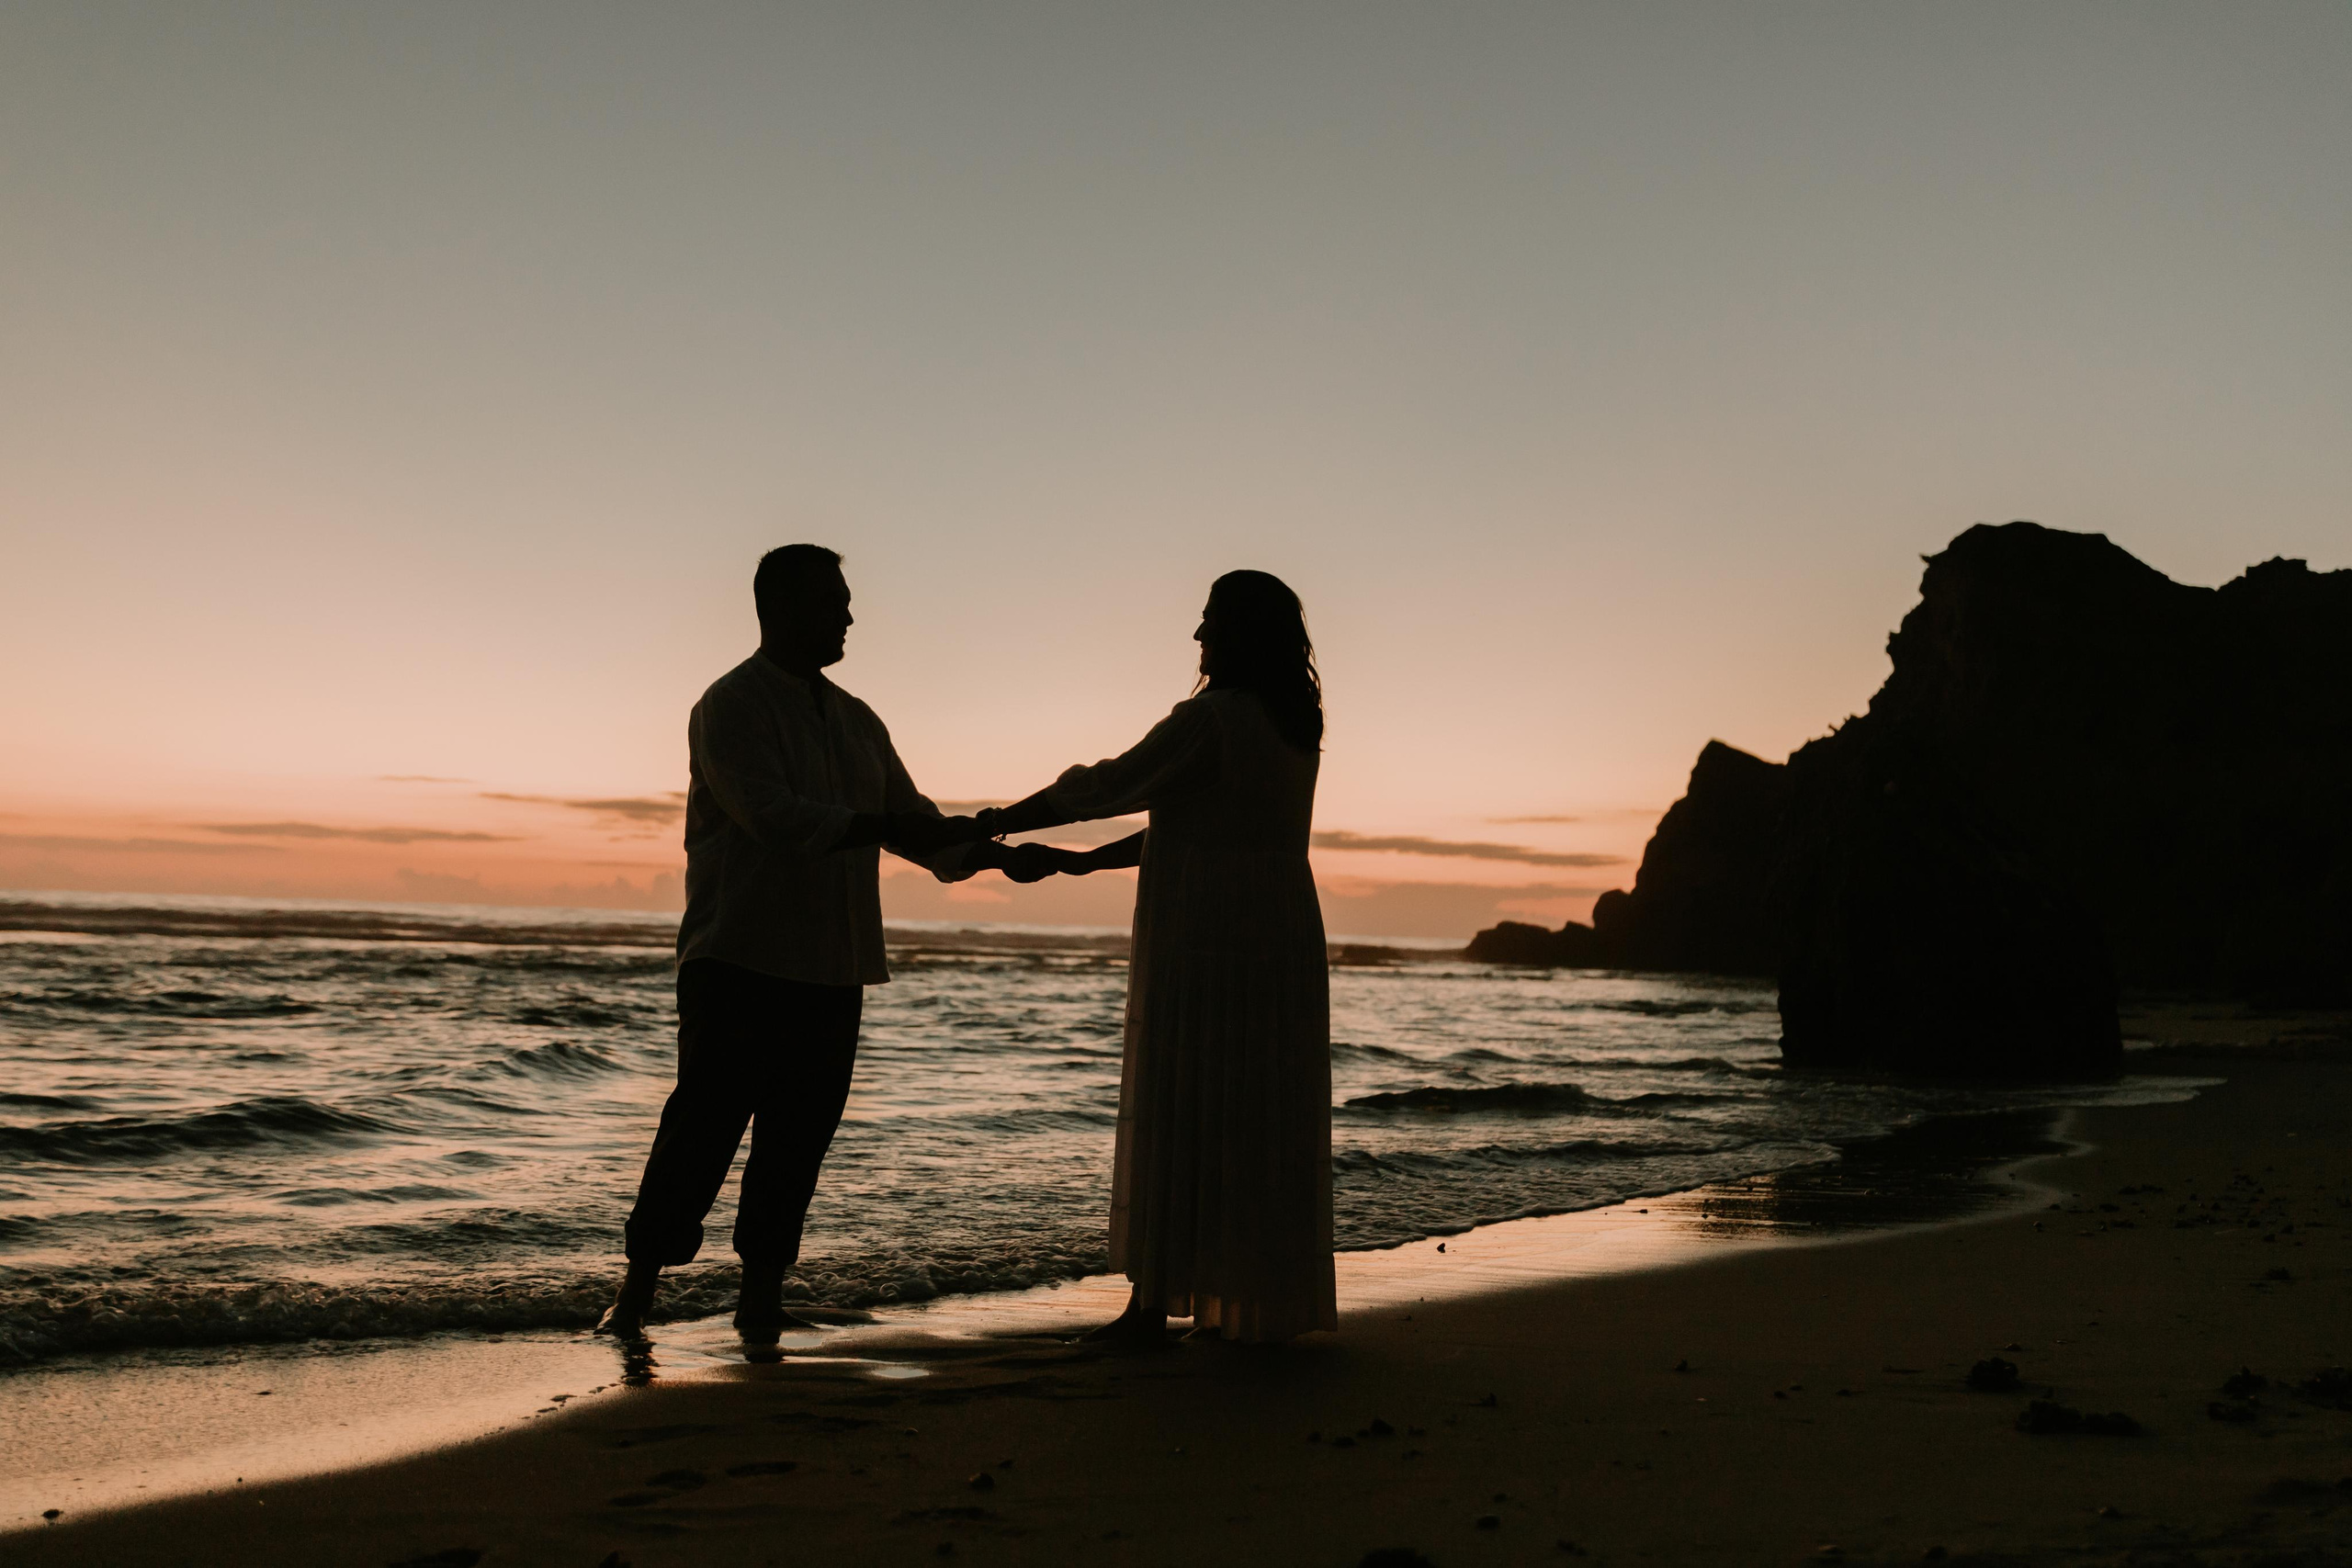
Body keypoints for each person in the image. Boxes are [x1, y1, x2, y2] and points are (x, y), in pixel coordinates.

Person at [596, 544, 987, 1342]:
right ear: (778, 607)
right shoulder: (731, 705)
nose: (848, 615)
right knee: (700, 1132)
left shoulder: (857, 718)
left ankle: (761, 1299)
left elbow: (914, 819)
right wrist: (903, 830)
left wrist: (989, 849)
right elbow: (775, 818)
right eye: (833, 601)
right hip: (738, 954)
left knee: (798, 1141)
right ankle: (636, 1294)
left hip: (833, 965)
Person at [971, 570, 1336, 1343]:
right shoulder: (1291, 724)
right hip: (1277, 934)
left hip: (1206, 934)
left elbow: (1112, 785)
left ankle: (1150, 1305)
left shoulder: (1212, 718)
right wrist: (1076, 865)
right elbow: (1185, 822)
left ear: (1239, 631)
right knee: (1251, 1112)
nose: (1197, 638)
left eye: (1209, 622)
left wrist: (1001, 820)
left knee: (1185, 1097)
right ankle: (1246, 1293)